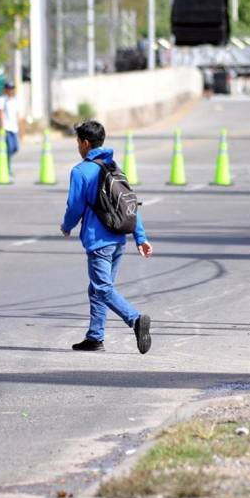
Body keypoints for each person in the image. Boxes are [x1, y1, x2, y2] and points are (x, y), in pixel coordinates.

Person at [60, 120, 153, 354]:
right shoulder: (113, 167)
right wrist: (140, 237)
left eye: (78, 142)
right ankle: (95, 337)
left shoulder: (81, 170)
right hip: (119, 238)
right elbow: (129, 203)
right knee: (98, 288)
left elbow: (74, 206)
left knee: (101, 288)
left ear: (85, 143)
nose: (77, 147)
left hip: (99, 241)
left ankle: (135, 319)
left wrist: (67, 226)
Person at [0, 81, 23, 176]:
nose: (11, 90)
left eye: (12, 89)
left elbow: (18, 115)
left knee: (15, 148)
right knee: (9, 148)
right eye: (9, 88)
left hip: (14, 127)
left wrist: (21, 129)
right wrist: (2, 125)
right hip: (6, 127)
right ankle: (7, 168)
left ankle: (5, 161)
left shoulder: (15, 100)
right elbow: (0, 112)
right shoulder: (2, 99)